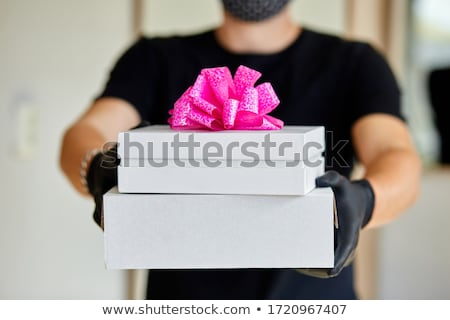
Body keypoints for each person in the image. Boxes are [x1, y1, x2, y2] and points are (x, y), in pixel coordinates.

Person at [60, 0, 421, 299]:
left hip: (313, 299)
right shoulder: (154, 57)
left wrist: (365, 201)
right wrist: (96, 169)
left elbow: (394, 154)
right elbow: (88, 131)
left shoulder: (354, 61)